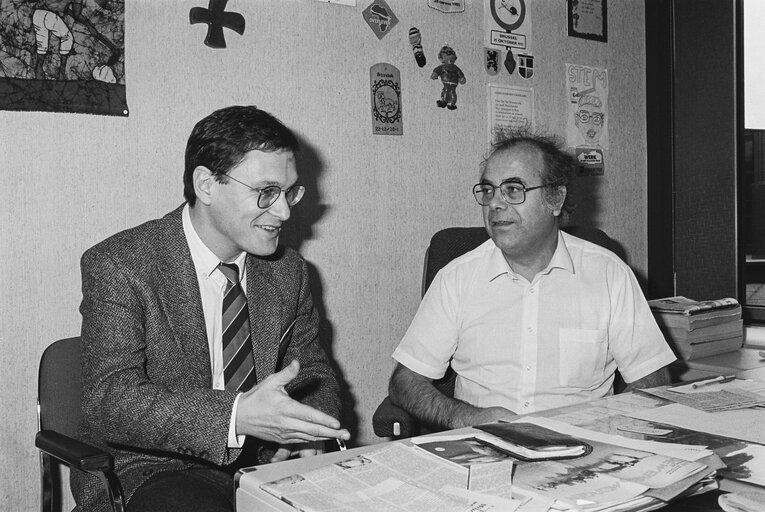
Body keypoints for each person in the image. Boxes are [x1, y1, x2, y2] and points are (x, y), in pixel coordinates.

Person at [74, 105, 349, 512]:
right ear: (206, 184)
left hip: (263, 464)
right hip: (152, 471)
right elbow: (109, 399)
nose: (285, 211)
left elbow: (311, 371)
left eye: (290, 192)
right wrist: (236, 417)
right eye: (266, 192)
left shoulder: (289, 271)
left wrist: (309, 431)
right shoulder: (121, 264)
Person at [388, 130, 675, 432]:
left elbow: (652, 380)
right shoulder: (456, 279)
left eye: (513, 190)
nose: (495, 204)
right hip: (484, 450)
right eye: (488, 191)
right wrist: (464, 417)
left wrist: (609, 436)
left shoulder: (608, 275)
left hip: (584, 452)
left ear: (555, 199)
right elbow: (405, 382)